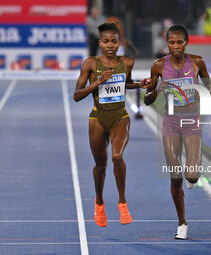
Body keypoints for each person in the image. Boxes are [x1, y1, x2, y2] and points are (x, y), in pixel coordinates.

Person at [73, 23, 149, 227]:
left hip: (119, 117)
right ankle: (99, 202)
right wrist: (97, 82)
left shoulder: (127, 63)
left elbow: (127, 83)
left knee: (117, 157)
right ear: (100, 43)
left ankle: (122, 203)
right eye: (106, 41)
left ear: (119, 43)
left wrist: (139, 85)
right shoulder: (90, 64)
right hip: (97, 118)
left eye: (114, 41)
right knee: (101, 165)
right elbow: (76, 96)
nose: (110, 45)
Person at [144, 24, 211, 239]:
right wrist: (156, 91)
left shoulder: (197, 62)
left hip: (192, 121)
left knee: (191, 176)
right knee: (175, 177)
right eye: (171, 42)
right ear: (167, 44)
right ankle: (182, 223)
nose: (175, 46)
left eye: (179, 42)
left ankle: (193, 176)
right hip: (171, 123)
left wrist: (201, 94)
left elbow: (209, 86)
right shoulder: (158, 66)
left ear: (186, 42)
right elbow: (147, 100)